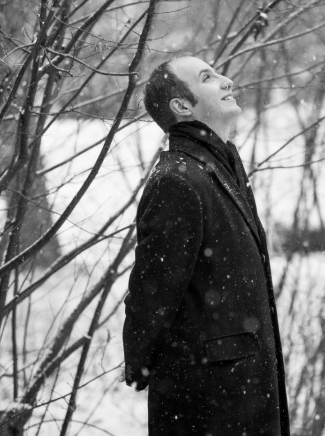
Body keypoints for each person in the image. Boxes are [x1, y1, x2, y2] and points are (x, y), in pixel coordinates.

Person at [122, 56, 290, 435]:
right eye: (208, 78)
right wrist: (141, 362)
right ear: (182, 106)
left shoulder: (221, 166)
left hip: (241, 389)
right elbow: (152, 291)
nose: (226, 80)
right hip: (209, 401)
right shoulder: (178, 181)